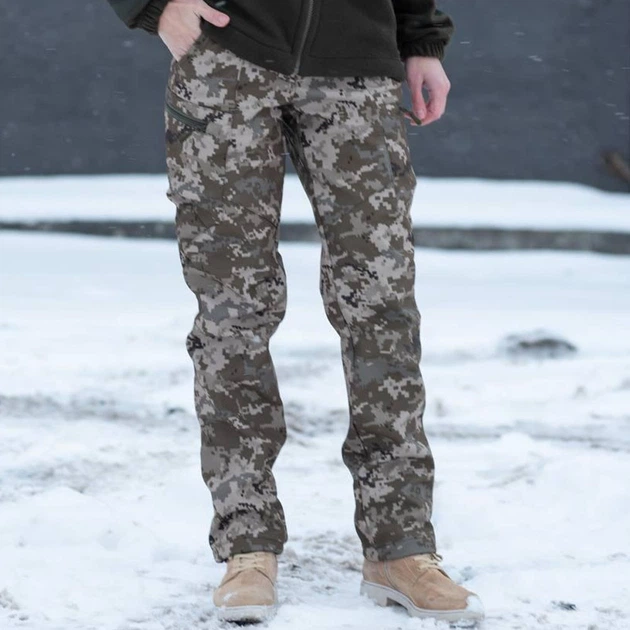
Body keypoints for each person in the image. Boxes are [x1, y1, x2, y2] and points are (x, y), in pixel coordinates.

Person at [106, 0, 485, 624]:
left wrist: (420, 38)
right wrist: (154, 5)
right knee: (233, 313)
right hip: (229, 58)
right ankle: (247, 546)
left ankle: (400, 549)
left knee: (382, 310)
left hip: (357, 65)